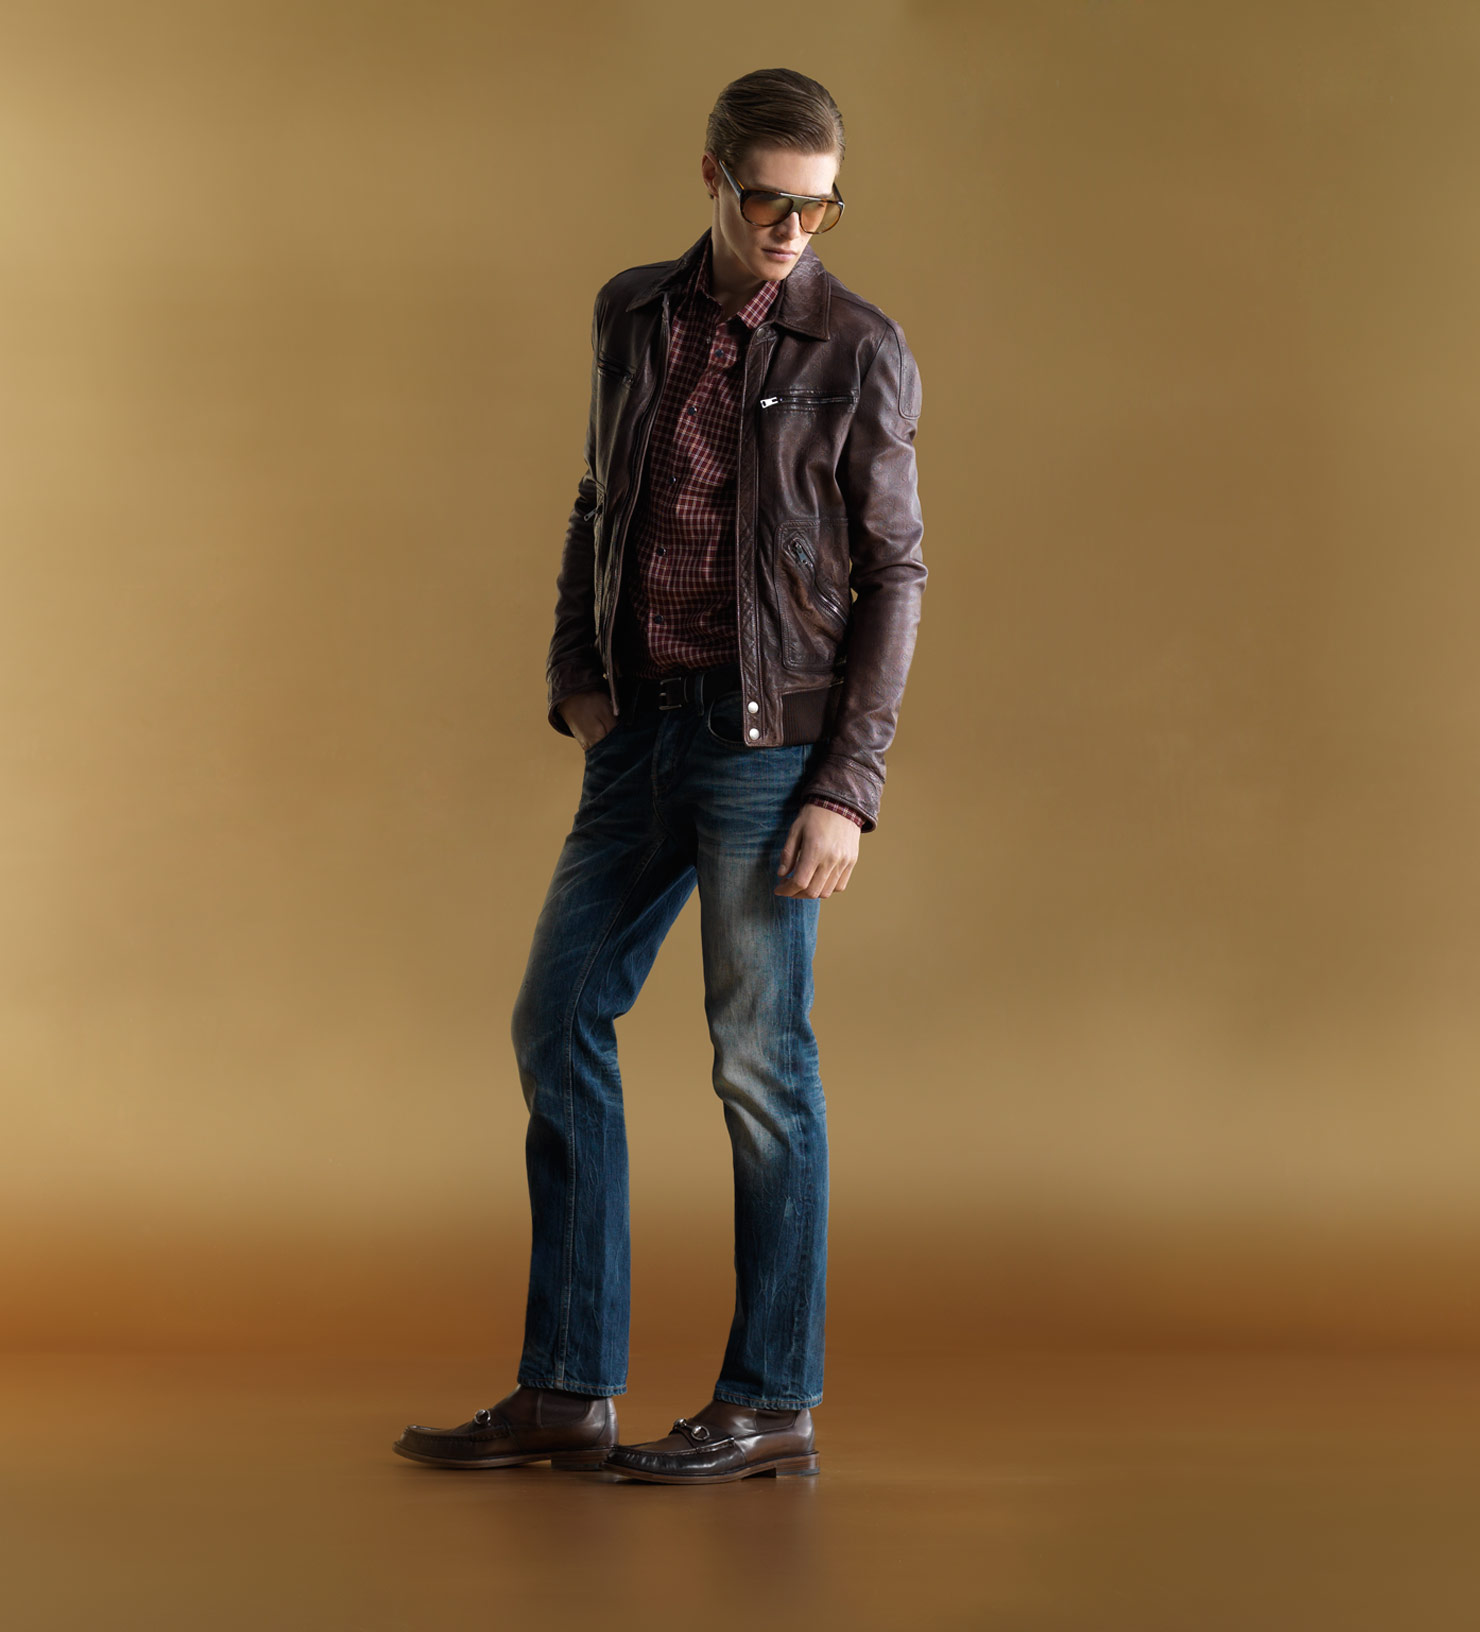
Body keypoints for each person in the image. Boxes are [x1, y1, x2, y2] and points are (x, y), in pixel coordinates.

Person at [393, 66, 925, 1485]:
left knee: (760, 1064)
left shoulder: (859, 348)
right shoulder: (632, 313)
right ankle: (569, 1388)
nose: (794, 232)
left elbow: (895, 575)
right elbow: (599, 500)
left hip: (769, 750)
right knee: (556, 1018)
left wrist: (846, 786)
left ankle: (771, 1401)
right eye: (770, 202)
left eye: (820, 208)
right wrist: (577, 669)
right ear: (711, 177)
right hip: (636, 736)